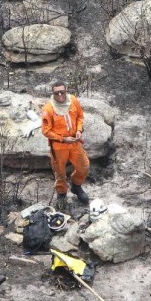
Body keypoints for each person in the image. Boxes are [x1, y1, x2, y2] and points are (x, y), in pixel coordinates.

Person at [41, 79, 90, 209]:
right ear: (52, 93)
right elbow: (46, 131)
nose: (60, 96)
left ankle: (76, 186)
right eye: (56, 93)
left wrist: (79, 130)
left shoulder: (73, 100)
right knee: (60, 172)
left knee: (84, 166)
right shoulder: (48, 109)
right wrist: (62, 139)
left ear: (66, 90)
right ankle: (62, 194)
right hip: (58, 146)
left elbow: (80, 116)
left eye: (62, 92)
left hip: (75, 142)